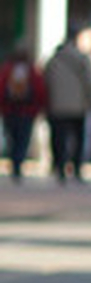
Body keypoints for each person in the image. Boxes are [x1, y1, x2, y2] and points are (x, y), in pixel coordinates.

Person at [42, 31, 91, 183]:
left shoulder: (52, 61)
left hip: (57, 105)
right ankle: (76, 168)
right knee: (78, 138)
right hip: (78, 106)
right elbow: (90, 83)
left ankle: (60, 167)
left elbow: (44, 84)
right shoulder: (82, 59)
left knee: (58, 138)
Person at [0, 43, 44, 182]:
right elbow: (39, 90)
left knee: (12, 137)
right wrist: (39, 108)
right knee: (23, 139)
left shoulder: (7, 69)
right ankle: (18, 163)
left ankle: (14, 162)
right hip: (26, 111)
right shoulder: (31, 70)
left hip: (9, 110)